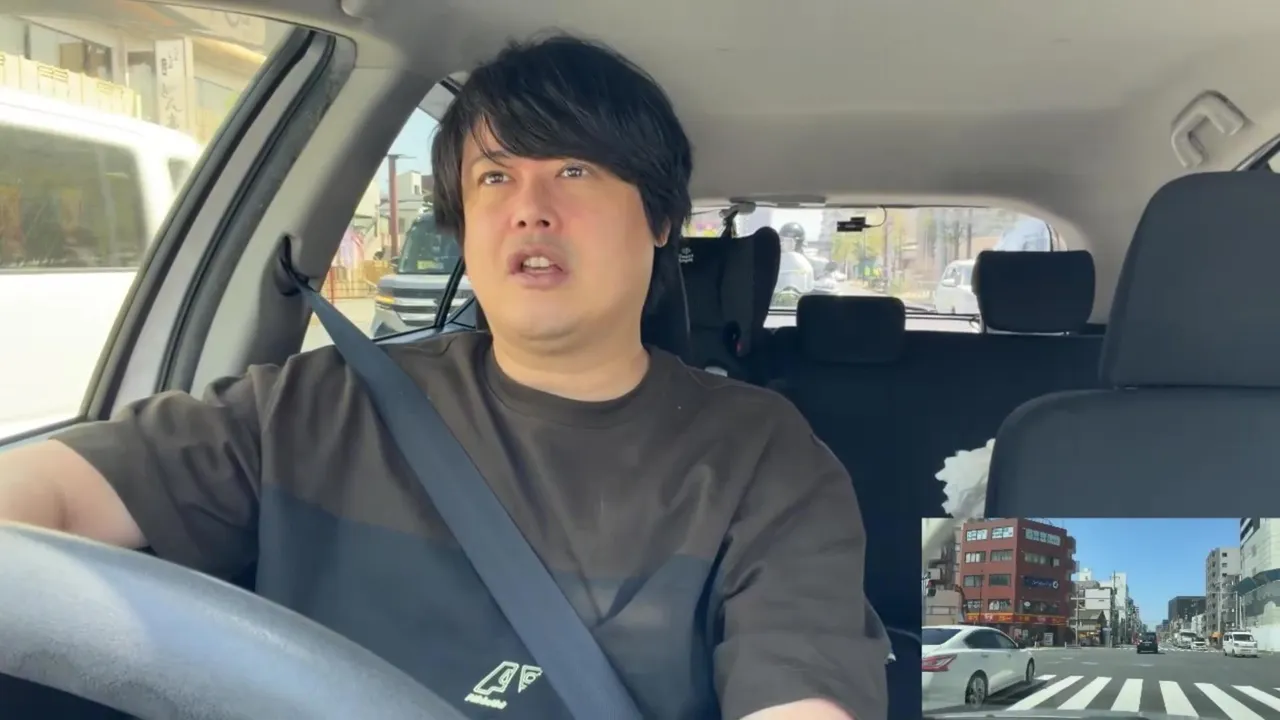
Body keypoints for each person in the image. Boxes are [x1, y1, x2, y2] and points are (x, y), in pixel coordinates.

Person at [0, 34, 888, 720]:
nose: (530, 208)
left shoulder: (763, 457)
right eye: (495, 176)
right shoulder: (308, 407)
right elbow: (55, 498)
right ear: (463, 224)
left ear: (660, 221)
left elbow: (799, 695)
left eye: (574, 169)